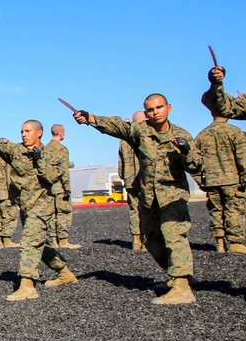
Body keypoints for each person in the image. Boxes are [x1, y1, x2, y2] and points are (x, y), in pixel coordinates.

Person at [73, 94, 203, 304]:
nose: (155, 112)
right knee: (150, 238)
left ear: (168, 107)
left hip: (173, 197)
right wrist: (91, 118)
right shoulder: (141, 131)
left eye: (159, 107)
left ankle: (182, 287)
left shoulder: (181, 135)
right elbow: (118, 127)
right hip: (149, 197)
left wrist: (186, 151)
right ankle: (178, 276)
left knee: (174, 235)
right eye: (150, 109)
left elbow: (196, 166)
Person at [0, 122, 78, 301]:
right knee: (41, 244)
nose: (24, 134)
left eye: (28, 131)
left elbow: (52, 177)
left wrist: (40, 160)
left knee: (29, 242)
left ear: (39, 133)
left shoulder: (51, 154)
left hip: (42, 205)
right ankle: (65, 273)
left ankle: (27, 285)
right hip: (25, 205)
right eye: (22, 131)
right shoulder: (15, 151)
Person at [192, 106, 246, 253]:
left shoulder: (202, 135)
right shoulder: (235, 132)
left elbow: (194, 161)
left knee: (216, 211)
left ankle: (219, 242)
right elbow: (243, 158)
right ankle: (235, 242)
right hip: (232, 180)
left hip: (211, 181)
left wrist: (201, 181)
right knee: (234, 210)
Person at [46, 124, 79, 249]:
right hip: (60, 187)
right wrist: (67, 188)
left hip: (48, 188)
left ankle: (53, 240)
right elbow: (64, 170)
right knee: (63, 213)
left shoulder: (45, 149)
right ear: (61, 133)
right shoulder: (62, 149)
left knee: (52, 214)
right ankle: (63, 241)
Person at [118, 111, 147, 249]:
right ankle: (147, 240)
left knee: (134, 210)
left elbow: (120, 164)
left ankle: (136, 240)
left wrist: (124, 177)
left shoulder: (123, 140)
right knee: (147, 210)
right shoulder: (145, 135)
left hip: (129, 179)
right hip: (145, 179)